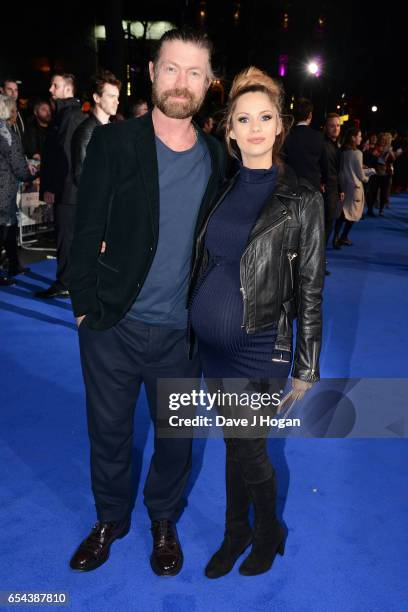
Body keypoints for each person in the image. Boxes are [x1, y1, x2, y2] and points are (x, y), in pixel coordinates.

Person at [68, 28, 225, 576]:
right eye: (172, 69)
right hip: (113, 326)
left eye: (195, 73)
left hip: (181, 338)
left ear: (209, 84)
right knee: (108, 436)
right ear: (153, 72)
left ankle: (164, 518)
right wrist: (85, 307)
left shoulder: (217, 159)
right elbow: (83, 229)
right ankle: (110, 519)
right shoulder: (114, 142)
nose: (181, 83)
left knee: (176, 442)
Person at [189, 67, 325, 578]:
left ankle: (266, 532)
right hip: (214, 349)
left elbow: (311, 288)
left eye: (264, 117)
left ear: (280, 126)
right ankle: (236, 531)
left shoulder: (303, 200)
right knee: (236, 445)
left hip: (261, 348)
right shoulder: (221, 189)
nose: (254, 128)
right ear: (229, 130)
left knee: (249, 448)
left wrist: (307, 365)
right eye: (243, 119)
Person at [36, 73, 85, 298]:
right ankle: (69, 279)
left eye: (55, 85)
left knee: (66, 237)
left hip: (68, 192)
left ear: (67, 89)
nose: (50, 89)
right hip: (68, 190)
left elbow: (64, 158)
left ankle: (65, 282)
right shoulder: (65, 115)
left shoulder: (69, 117)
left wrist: (53, 189)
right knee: (67, 237)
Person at [0, 95, 34, 284]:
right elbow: (19, 168)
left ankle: (13, 264)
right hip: (4, 191)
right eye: (13, 110)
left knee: (10, 227)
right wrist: (34, 174)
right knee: (4, 229)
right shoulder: (7, 134)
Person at [71, 70, 121, 187]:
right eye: (111, 96)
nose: (117, 102)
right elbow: (81, 176)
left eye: (117, 97)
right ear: (97, 98)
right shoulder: (86, 132)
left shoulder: (112, 129)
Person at [282, 97, 328, 192]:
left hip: (292, 186)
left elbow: (283, 162)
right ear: (310, 115)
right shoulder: (319, 136)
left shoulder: (287, 136)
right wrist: (323, 181)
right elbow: (325, 164)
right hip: (313, 186)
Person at [334, 128, 368, 246]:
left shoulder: (342, 151)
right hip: (355, 187)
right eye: (359, 136)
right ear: (353, 137)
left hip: (343, 185)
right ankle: (343, 237)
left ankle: (336, 237)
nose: (361, 138)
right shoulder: (357, 153)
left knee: (342, 212)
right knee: (353, 213)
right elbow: (360, 174)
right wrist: (368, 176)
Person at [323, 113, 344, 250]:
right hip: (325, 191)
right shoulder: (322, 144)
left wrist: (341, 189)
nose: (336, 128)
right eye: (332, 126)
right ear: (326, 127)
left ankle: (320, 262)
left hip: (333, 190)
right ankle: (318, 264)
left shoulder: (336, 145)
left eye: (337, 125)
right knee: (325, 226)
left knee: (329, 224)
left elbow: (337, 170)